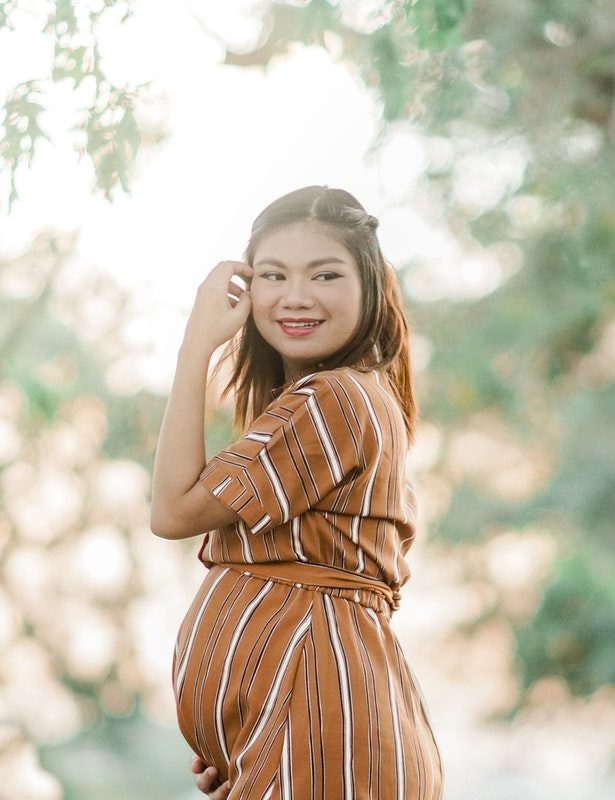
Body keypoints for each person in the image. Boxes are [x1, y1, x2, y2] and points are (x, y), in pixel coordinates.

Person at [150, 185, 443, 799]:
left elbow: (172, 510)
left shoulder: (336, 397)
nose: (296, 297)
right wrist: (240, 728)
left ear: (370, 288)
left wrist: (196, 345)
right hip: (294, 736)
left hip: (318, 732)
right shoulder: (320, 403)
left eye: (325, 275)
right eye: (274, 275)